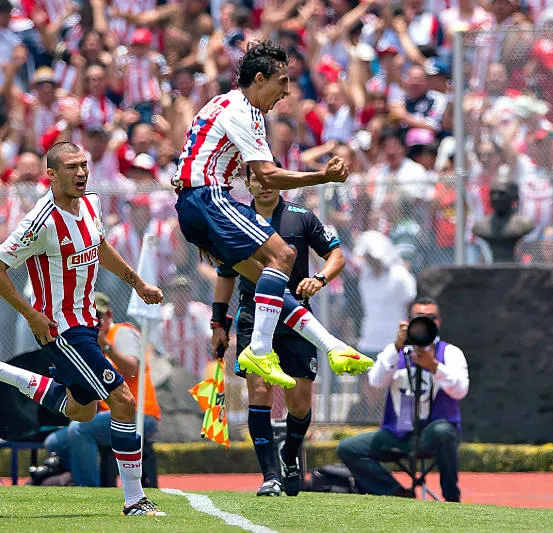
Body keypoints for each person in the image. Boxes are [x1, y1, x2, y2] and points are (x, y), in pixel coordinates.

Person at [0, 142, 166, 517]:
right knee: (124, 402)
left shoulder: (91, 203)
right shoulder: (39, 220)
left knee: (81, 411)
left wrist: (137, 282)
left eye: (83, 165)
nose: (81, 173)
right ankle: (135, 500)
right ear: (51, 174)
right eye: (71, 167)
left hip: (86, 323)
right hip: (61, 329)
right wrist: (31, 315)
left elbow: (101, 246)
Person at [172, 40, 372, 389]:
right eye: (282, 82)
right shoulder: (243, 111)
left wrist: (219, 321)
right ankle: (260, 349)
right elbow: (266, 175)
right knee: (284, 254)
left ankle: (333, 347)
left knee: (274, 285)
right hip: (206, 197)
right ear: (260, 78)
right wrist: (322, 176)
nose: (287, 91)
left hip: (195, 202)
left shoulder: (222, 103)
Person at [212, 162, 346, 497]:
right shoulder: (236, 219)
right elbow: (226, 274)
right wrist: (218, 323)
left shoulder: (302, 217)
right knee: (259, 391)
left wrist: (319, 279)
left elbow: (336, 255)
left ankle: (290, 453)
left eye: (272, 178)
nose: (265, 185)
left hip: (296, 316)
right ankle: (269, 474)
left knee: (299, 402)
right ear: (247, 182)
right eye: (257, 179)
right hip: (252, 316)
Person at [336, 297, 469, 502]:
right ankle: (396, 494)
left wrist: (434, 366)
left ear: (439, 322)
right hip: (398, 433)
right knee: (348, 448)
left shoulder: (450, 352)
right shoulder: (396, 351)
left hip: (432, 435)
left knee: (444, 430)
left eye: (431, 317)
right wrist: (396, 347)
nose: (425, 321)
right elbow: (375, 381)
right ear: (408, 321)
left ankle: (452, 498)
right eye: (419, 317)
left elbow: (461, 390)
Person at [41, 292, 161, 488]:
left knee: (79, 429)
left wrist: (105, 346)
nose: (95, 321)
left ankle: (88, 487)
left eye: (99, 316)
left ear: (110, 315)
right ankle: (75, 478)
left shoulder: (123, 332)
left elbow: (132, 369)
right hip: (108, 414)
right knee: (54, 442)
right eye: (91, 315)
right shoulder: (85, 343)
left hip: (139, 413)